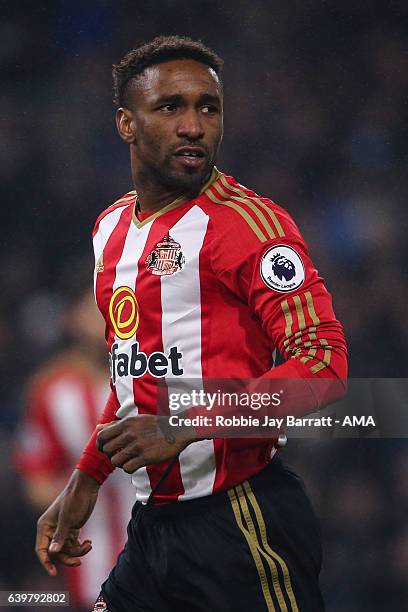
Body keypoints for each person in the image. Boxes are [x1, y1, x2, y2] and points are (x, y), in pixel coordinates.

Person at [35, 36, 347, 612]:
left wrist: (185, 423)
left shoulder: (249, 225)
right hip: (151, 529)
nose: (194, 126)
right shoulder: (110, 229)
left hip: (241, 521)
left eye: (208, 107)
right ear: (127, 124)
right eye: (170, 107)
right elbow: (137, 375)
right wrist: (86, 478)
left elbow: (323, 364)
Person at [15, 275, 135, 610]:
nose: (108, 315)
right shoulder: (50, 389)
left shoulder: (156, 378)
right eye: (96, 306)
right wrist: (86, 488)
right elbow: (35, 483)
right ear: (72, 316)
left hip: (167, 566)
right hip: (90, 574)